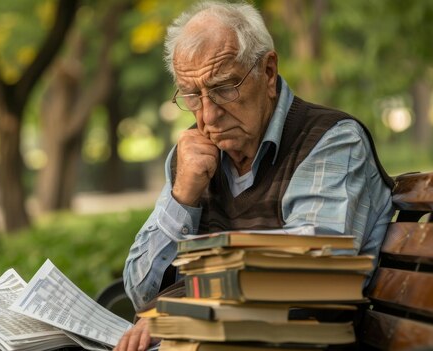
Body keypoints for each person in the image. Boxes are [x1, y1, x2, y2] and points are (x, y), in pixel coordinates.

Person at [114, 1, 394, 350]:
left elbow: (310, 274)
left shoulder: (330, 140)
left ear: (269, 72)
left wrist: (179, 311)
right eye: (192, 96)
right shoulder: (191, 157)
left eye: (223, 88)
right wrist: (182, 195)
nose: (209, 116)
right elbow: (139, 293)